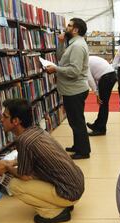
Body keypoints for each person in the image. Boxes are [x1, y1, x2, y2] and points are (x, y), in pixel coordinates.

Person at [0, 99, 85, 223]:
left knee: (14, 184)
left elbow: (24, 176)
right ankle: (61, 203)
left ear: (16, 121)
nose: (1, 120)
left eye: (5, 116)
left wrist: (7, 168)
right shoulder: (36, 130)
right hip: (76, 184)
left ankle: (55, 212)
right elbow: (31, 158)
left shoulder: (23, 141)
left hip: (69, 193)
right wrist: (11, 163)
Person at [46, 18, 91, 159]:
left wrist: (56, 69)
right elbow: (61, 58)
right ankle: (78, 146)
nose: (66, 28)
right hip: (72, 89)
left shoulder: (77, 46)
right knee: (74, 121)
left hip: (75, 90)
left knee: (77, 122)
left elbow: (74, 71)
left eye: (69, 26)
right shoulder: (72, 44)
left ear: (76, 30)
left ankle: (83, 151)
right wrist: (60, 43)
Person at [86, 56, 117, 136]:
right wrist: (97, 91)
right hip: (109, 76)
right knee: (103, 103)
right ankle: (97, 124)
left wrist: (96, 94)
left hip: (106, 77)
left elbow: (90, 80)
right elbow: (94, 78)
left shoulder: (85, 63)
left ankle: (101, 129)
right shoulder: (89, 58)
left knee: (103, 104)